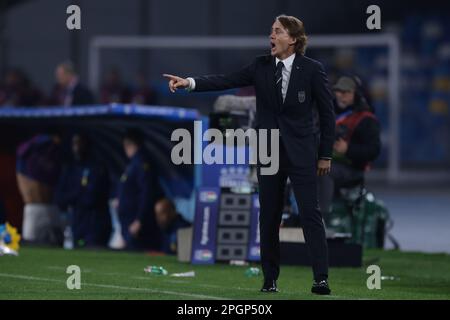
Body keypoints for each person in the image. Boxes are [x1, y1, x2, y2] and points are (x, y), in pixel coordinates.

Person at [163, 15, 335, 295]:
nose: (271, 36)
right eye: (271, 31)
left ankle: (321, 278)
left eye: (277, 31)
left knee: (309, 214)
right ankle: (270, 279)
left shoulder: (313, 70)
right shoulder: (260, 66)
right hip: (267, 150)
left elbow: (328, 115)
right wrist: (189, 82)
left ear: (292, 39)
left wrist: (325, 154)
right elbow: (225, 80)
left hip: (302, 152)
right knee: (269, 216)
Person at [318, 76, 381, 218]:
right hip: (325, 160)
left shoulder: (366, 120)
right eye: (338, 91)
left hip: (351, 168)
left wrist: (348, 149)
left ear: (356, 94)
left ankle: (320, 217)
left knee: (323, 171)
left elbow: (373, 150)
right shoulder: (326, 113)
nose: (341, 95)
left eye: (346, 92)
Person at [55, 134, 112, 248]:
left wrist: (75, 195)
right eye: (74, 143)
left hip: (95, 224)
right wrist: (79, 193)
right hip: (76, 223)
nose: (77, 147)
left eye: (80, 143)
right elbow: (59, 197)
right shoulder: (70, 168)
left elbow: (92, 197)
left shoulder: (97, 167)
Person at [116, 129, 164, 250]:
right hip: (130, 220)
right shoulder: (133, 163)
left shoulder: (142, 163)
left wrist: (139, 220)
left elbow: (146, 193)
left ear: (129, 144)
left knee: (139, 253)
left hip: (137, 221)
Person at [16, 132, 63, 245]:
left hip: (52, 209)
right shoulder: (26, 162)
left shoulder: (52, 165)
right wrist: (48, 138)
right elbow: (22, 150)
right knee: (32, 246)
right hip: (34, 210)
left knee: (57, 246)